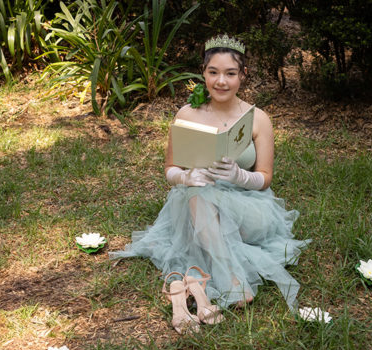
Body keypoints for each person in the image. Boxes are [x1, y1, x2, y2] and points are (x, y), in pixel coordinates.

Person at [109, 34, 310, 333]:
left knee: (201, 199)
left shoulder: (258, 119)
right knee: (196, 193)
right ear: (202, 72)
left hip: (248, 206)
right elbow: (170, 168)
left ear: (243, 75)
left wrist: (241, 176)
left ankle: (215, 265)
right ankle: (230, 278)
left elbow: (265, 177)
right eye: (213, 72)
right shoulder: (187, 114)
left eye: (230, 73)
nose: (221, 81)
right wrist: (185, 176)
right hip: (199, 199)